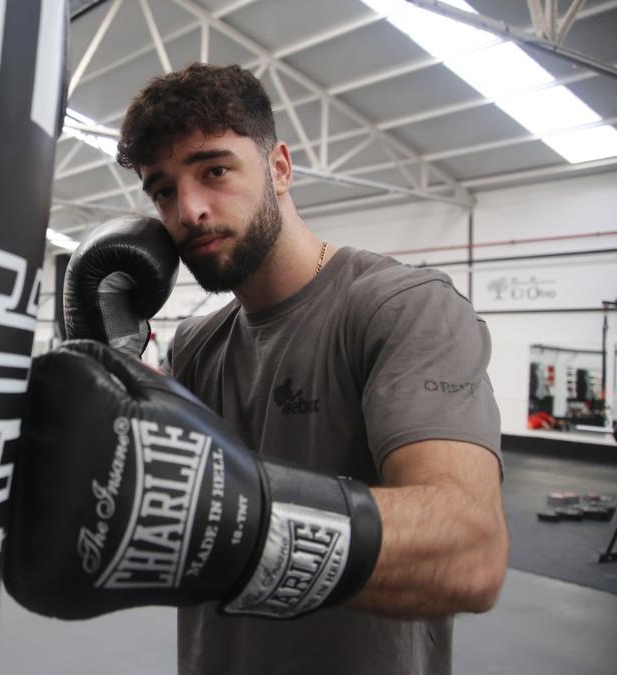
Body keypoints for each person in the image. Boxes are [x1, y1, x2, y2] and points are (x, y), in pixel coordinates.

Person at [111, 62, 508, 674]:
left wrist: (227, 519)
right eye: (163, 190)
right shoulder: (195, 344)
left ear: (280, 168)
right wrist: (109, 372)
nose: (188, 210)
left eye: (214, 170)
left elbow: (469, 551)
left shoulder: (400, 307)